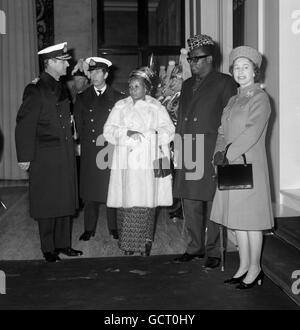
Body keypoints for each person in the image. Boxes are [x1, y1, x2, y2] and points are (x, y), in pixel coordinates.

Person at [211, 46, 274, 289]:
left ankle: (256, 268)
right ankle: (244, 266)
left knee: (252, 222)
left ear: (255, 71)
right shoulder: (233, 99)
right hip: (230, 165)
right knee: (238, 222)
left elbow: (252, 133)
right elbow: (221, 131)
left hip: (249, 166)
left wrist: (227, 154)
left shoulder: (260, 98)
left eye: (246, 67)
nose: (241, 72)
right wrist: (217, 153)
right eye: (237, 68)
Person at [173, 34, 237, 268]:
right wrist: (177, 148)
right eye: (190, 59)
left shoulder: (224, 82)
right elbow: (181, 117)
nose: (192, 63)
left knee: (213, 201)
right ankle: (194, 246)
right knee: (189, 200)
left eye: (196, 59)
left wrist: (225, 151)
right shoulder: (188, 84)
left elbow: (231, 120)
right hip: (189, 147)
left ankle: (213, 251)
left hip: (211, 148)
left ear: (209, 58)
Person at [15, 42, 83, 262]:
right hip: (44, 154)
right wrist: (25, 156)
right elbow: (25, 124)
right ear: (51, 63)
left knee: (64, 199)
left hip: (63, 152)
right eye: (64, 61)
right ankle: (48, 248)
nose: (68, 64)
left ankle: (63, 244)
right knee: (47, 202)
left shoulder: (61, 87)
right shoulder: (35, 89)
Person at [103, 67, 175, 256]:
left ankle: (145, 242)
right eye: (131, 86)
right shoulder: (120, 106)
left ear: (146, 89)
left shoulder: (156, 107)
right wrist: (126, 134)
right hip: (126, 162)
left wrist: (151, 136)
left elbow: (168, 130)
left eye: (137, 86)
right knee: (127, 202)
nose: (133, 89)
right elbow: (108, 130)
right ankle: (127, 244)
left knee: (147, 202)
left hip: (147, 162)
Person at [73, 57, 123, 241]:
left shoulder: (118, 98)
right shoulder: (82, 97)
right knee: (89, 191)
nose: (93, 76)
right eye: (91, 72)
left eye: (98, 72)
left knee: (111, 188)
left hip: (110, 148)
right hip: (91, 148)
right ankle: (89, 228)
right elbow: (79, 122)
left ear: (106, 74)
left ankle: (113, 227)